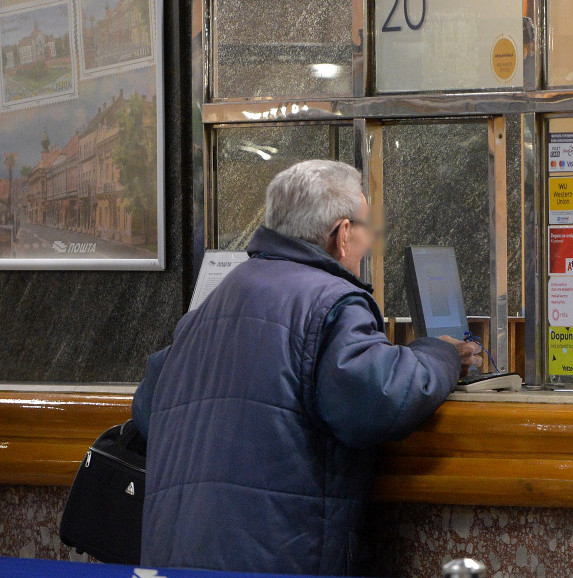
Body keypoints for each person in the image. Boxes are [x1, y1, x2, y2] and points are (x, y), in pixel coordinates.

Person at [131, 159, 482, 576]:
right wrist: (440, 355)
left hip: (171, 560)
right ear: (343, 233)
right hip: (278, 560)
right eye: (367, 229)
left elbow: (148, 409)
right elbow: (379, 399)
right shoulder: (330, 303)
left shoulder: (212, 303)